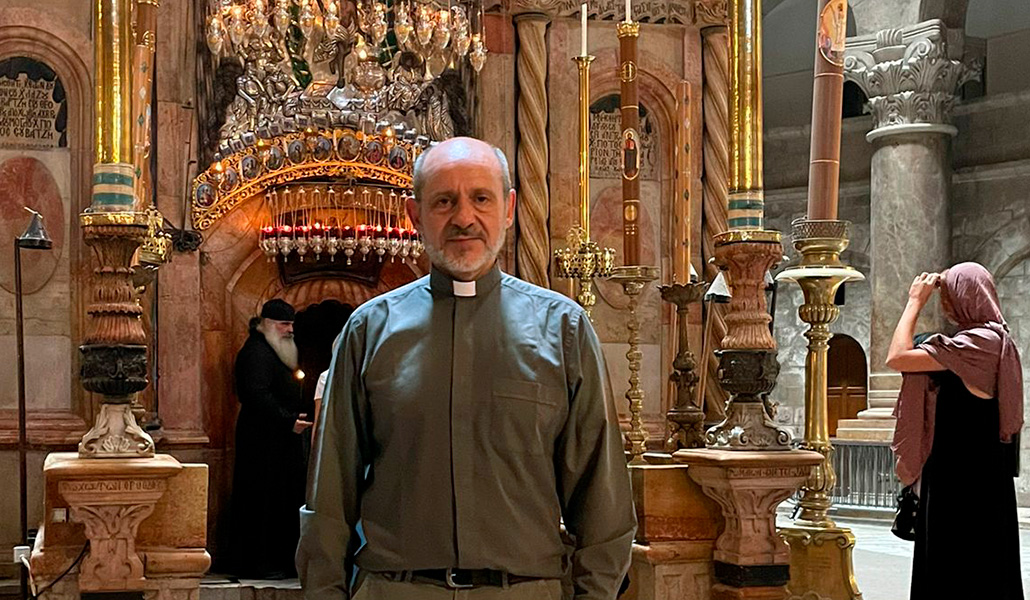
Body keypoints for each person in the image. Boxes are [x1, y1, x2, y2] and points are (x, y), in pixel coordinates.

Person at [297, 137, 635, 599]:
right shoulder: (369, 330)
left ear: (509, 208)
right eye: (443, 201)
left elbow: (603, 501)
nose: (463, 218)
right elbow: (330, 497)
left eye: (481, 198)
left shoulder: (564, 330)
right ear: (416, 217)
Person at [886, 263, 1023, 599]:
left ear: (966, 297)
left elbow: (897, 356)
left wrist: (914, 302)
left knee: (957, 571)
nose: (944, 304)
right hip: (980, 476)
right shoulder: (988, 341)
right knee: (982, 568)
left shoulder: (980, 344)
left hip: (960, 479)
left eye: (947, 295)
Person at [229, 299, 313, 579]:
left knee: (281, 498)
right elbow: (255, 395)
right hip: (261, 440)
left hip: (279, 438)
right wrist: (288, 421)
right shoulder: (256, 352)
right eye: (283, 324)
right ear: (266, 324)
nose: (290, 330)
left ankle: (278, 560)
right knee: (260, 501)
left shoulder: (274, 350)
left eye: (291, 324)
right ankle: (258, 563)